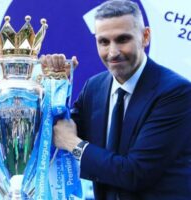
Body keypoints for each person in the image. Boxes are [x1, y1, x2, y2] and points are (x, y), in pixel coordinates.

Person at [50, 0, 191, 199]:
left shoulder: (176, 92)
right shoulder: (94, 87)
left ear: (145, 37)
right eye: (104, 42)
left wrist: (74, 144)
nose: (113, 52)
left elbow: (135, 173)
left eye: (122, 39)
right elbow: (58, 131)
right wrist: (54, 84)